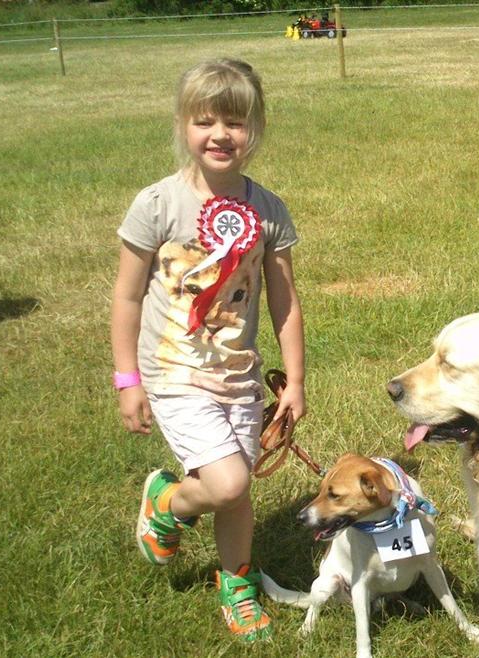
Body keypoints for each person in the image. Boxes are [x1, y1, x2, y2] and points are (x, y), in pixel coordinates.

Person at [110, 58, 305, 642]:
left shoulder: (268, 210)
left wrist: (294, 380)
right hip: (172, 372)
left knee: (237, 487)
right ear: (183, 125)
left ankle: (236, 583)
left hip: (238, 375)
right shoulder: (157, 205)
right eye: (205, 121)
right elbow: (125, 297)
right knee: (226, 484)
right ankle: (168, 502)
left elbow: (285, 303)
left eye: (236, 123)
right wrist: (128, 381)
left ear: (256, 128)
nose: (221, 134)